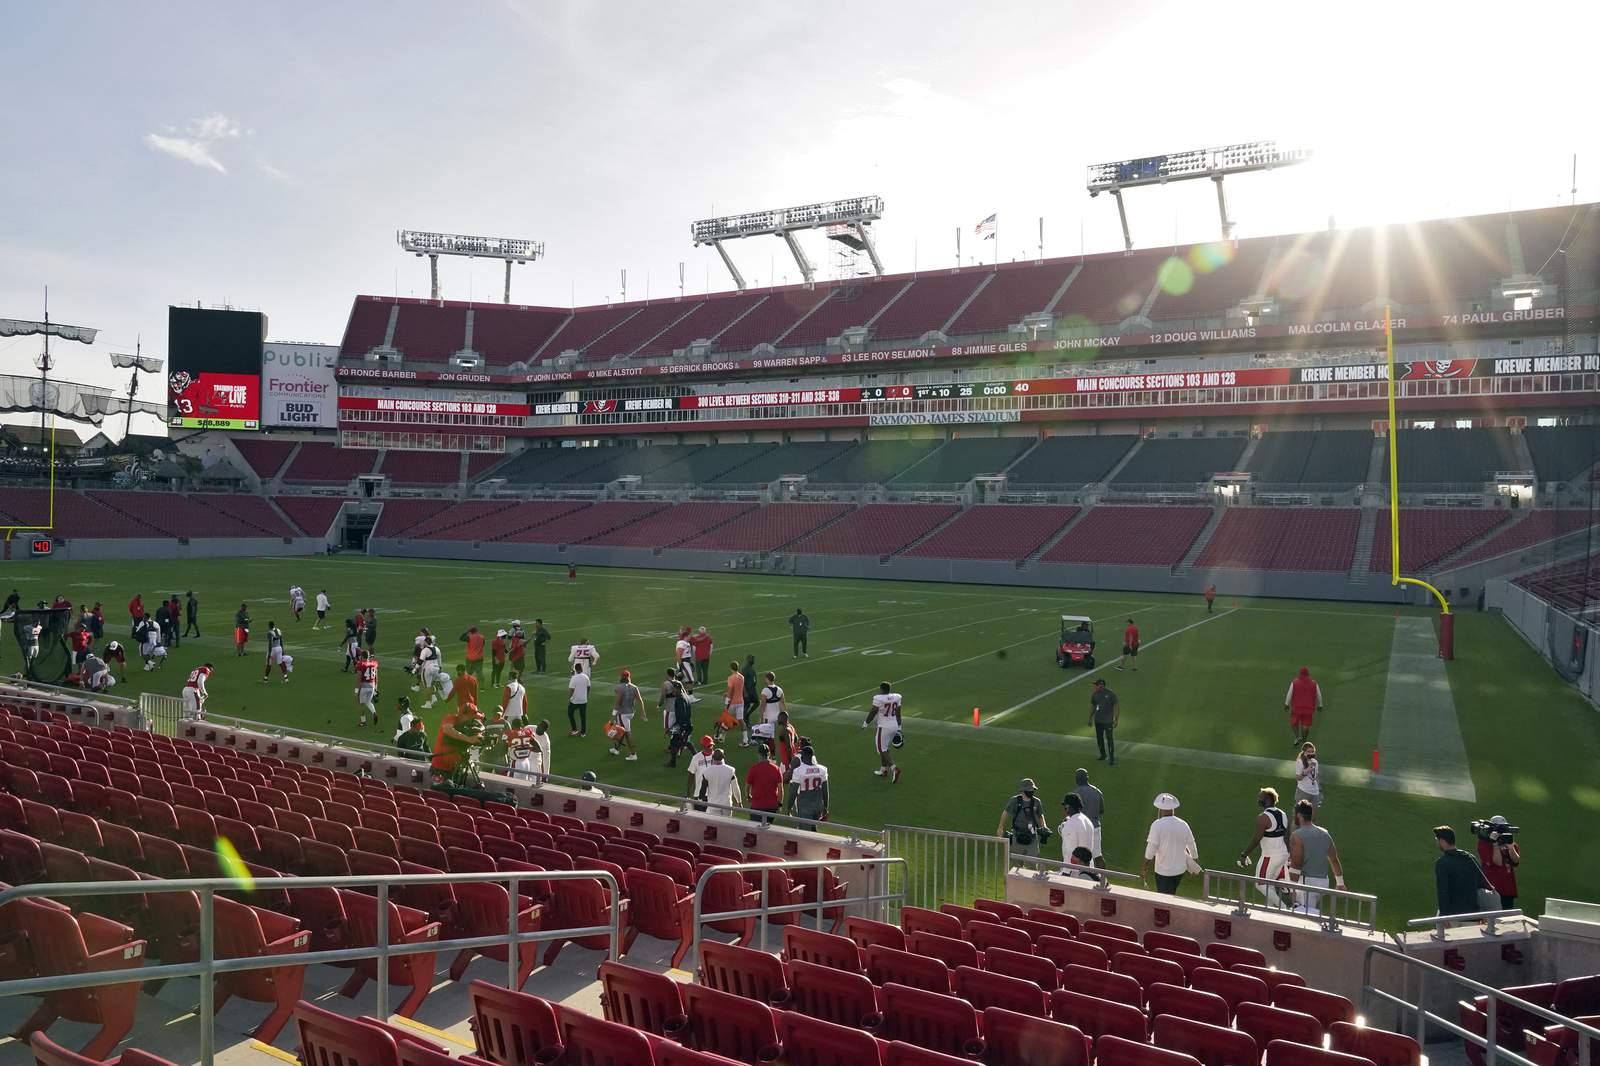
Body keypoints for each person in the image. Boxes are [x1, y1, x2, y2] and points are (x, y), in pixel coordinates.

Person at [1288, 799, 1346, 916]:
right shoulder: (1325, 833)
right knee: (1309, 913)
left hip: (1307, 883)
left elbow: (1296, 864)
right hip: (1323, 883)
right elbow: (1333, 859)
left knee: (1304, 918)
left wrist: (1291, 887)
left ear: (1299, 815)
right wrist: (1340, 883)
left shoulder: (1297, 835)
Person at [1238, 787, 1293, 903]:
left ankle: (1282, 908)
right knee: (1270, 885)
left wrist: (1244, 855)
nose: (1258, 800)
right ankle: (1270, 910)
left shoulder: (1263, 817)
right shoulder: (1283, 814)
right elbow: (1287, 837)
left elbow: (1256, 839)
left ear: (1267, 800)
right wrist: (1289, 855)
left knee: (1260, 883)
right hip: (1283, 855)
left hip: (1270, 857)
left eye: (1260, 798)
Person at [1141, 793, 1198, 895]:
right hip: (1180, 870)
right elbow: (1191, 844)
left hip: (1163, 871)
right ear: (1173, 809)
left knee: (1164, 899)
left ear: (1160, 809)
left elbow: (1150, 851)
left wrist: (1144, 868)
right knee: (1171, 894)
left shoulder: (1157, 825)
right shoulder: (1183, 824)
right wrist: (1194, 863)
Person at [1434, 826, 1486, 918]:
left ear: (1442, 841)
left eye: (1437, 840)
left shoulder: (1442, 863)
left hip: (1453, 916)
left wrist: (1444, 916)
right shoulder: (1470, 857)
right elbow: (1481, 883)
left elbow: (1443, 891)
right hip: (1474, 914)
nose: (1437, 842)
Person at [862, 681, 903, 783]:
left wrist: (866, 723)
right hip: (894, 725)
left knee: (881, 749)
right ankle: (883, 770)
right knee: (885, 748)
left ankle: (894, 769)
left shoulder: (878, 698)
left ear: (881, 689)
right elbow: (898, 712)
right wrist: (899, 727)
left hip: (884, 726)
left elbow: (873, 711)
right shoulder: (897, 697)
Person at [1477, 816, 1520, 910]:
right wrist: (1495, 844)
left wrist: (1511, 847)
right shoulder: (1484, 843)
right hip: (1493, 889)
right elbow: (1498, 862)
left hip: (1508, 889)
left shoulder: (1509, 841)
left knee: (1506, 919)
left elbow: (1516, 861)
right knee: (1493, 919)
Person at [431, 702, 482, 779]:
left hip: (455, 768)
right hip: (440, 768)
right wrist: (469, 739)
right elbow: (447, 729)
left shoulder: (467, 726)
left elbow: (476, 735)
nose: (473, 720)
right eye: (472, 717)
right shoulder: (450, 718)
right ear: (463, 715)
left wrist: (478, 737)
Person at [998, 779, 1047, 857]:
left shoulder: (1037, 802)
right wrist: (1000, 828)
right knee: (1016, 862)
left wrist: (1044, 827)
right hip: (1016, 835)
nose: (1032, 791)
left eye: (1032, 789)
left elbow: (1040, 816)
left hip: (1032, 836)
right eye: (1030, 789)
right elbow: (1005, 813)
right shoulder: (1014, 800)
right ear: (1023, 790)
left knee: (1033, 864)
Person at [1073, 768, 1107, 868]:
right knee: (1097, 855)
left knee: (1076, 853)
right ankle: (1104, 879)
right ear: (1087, 778)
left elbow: (1072, 813)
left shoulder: (1075, 793)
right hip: (1095, 826)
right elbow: (1102, 810)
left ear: (1077, 779)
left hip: (1081, 828)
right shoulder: (1097, 791)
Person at [786, 745, 829, 824]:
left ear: (803, 757)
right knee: (813, 828)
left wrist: (789, 807)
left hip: (805, 805)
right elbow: (825, 790)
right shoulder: (822, 769)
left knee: (805, 832)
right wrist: (826, 807)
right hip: (818, 804)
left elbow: (793, 791)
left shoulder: (798, 771)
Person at [608, 669, 643, 761]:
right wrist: (643, 712)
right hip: (631, 712)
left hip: (623, 713)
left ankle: (633, 754)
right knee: (620, 731)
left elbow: (617, 703)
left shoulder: (619, 688)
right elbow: (640, 700)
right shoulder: (634, 687)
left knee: (626, 733)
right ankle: (616, 748)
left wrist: (613, 716)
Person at [1284, 666, 1323, 749]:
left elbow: (1289, 693)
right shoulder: (1314, 683)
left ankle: (1298, 737)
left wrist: (1286, 703)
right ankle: (1304, 741)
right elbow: (1318, 694)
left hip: (1296, 708)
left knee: (1293, 723)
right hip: (1308, 709)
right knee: (1305, 725)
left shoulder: (1294, 682)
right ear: (1308, 674)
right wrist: (1320, 704)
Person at [746, 744, 784, 826]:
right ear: (769, 754)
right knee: (768, 829)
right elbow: (781, 789)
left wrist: (748, 796)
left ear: (759, 754)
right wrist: (780, 804)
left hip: (757, 806)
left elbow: (747, 786)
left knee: (755, 829)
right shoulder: (776, 769)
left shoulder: (753, 769)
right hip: (772, 806)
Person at [1058, 793, 1097, 868]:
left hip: (1074, 871)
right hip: (1089, 869)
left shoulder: (1070, 824)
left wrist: (1065, 872)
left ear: (1067, 806)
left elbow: (1070, 852)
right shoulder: (1087, 820)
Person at [664, 679, 694, 767]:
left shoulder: (680, 699)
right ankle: (697, 756)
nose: (673, 691)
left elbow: (682, 714)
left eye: (673, 689)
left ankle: (673, 762)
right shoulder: (685, 696)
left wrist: (677, 727)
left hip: (683, 725)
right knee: (686, 741)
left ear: (677, 689)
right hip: (687, 723)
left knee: (674, 742)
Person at [1089, 679, 1119, 765]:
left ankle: (1112, 758)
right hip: (1098, 721)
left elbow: (1116, 706)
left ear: (1101, 686)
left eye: (1096, 685)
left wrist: (1116, 719)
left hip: (1108, 721)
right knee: (1099, 738)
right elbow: (1093, 706)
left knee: (1109, 739)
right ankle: (1103, 755)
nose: (1094, 687)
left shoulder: (1111, 694)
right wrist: (1090, 718)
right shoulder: (1094, 695)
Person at [717, 659, 744, 745]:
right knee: (741, 720)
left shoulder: (730, 678)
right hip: (741, 701)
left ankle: (722, 737)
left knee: (726, 720)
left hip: (732, 703)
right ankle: (745, 740)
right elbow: (738, 689)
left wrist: (726, 702)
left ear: (731, 668)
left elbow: (730, 690)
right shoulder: (741, 677)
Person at [686, 734, 716, 805]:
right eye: (708, 746)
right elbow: (691, 775)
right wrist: (688, 794)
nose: (711, 748)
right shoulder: (696, 758)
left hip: (714, 794)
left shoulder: (717, 756)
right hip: (699, 794)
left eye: (712, 745)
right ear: (702, 746)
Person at [355, 649, 380, 728]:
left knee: (361, 704)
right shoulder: (374, 663)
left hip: (364, 686)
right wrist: (376, 688)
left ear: (362, 656)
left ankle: (363, 722)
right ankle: (374, 712)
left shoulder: (361, 664)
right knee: (368, 701)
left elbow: (359, 678)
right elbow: (376, 676)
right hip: (372, 685)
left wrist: (356, 690)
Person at [567, 661, 591, 737]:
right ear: (581, 669)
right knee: (583, 716)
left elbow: (571, 689)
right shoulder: (586, 677)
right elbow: (588, 687)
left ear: (575, 669)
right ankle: (583, 733)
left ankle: (574, 729)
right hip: (583, 700)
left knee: (570, 713)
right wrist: (586, 695)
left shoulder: (574, 678)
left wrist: (570, 698)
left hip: (575, 700)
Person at [1294, 743, 1322, 810]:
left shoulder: (1315, 762)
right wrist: (1307, 770)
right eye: (1308, 752)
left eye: (1312, 752)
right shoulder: (1300, 762)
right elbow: (1298, 778)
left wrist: (1320, 791)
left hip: (1315, 792)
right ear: (1304, 752)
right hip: (1303, 791)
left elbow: (1316, 777)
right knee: (1300, 816)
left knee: (1313, 817)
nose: (1310, 754)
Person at [741, 655, 759, 736]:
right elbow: (742, 682)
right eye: (752, 659)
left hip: (752, 690)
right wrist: (745, 692)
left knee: (757, 703)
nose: (753, 660)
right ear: (748, 660)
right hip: (748, 691)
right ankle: (745, 720)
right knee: (746, 705)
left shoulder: (751, 668)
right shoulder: (745, 669)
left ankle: (747, 716)